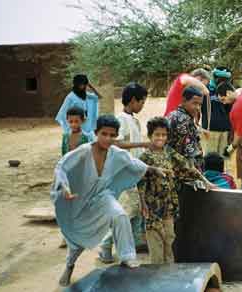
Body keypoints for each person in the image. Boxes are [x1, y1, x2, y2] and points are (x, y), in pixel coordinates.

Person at [51, 115, 166, 286]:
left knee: (120, 215)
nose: (108, 138)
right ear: (96, 133)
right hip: (80, 201)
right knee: (77, 242)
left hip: (103, 197)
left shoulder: (116, 154)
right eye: (104, 134)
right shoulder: (84, 151)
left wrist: (154, 169)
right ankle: (69, 265)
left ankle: (127, 256)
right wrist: (64, 187)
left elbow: (134, 164)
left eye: (112, 135)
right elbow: (62, 166)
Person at [137, 117, 215, 264]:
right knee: (155, 241)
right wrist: (143, 204)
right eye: (157, 135)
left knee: (169, 238)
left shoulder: (169, 152)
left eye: (164, 135)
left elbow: (187, 167)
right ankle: (157, 277)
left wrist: (205, 181)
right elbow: (141, 182)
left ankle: (169, 277)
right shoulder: (144, 157)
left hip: (169, 205)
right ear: (150, 136)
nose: (161, 138)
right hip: (152, 207)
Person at [98, 83, 150, 263]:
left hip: (133, 169)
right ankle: (105, 245)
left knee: (136, 207)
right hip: (122, 171)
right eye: (142, 101)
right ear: (134, 100)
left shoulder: (133, 119)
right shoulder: (121, 119)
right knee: (127, 210)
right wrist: (142, 145)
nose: (143, 105)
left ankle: (135, 240)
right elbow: (116, 143)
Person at [58, 106, 95, 248]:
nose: (73, 124)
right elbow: (63, 155)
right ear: (67, 121)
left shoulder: (86, 137)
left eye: (76, 121)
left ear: (83, 121)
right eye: (71, 121)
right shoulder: (65, 137)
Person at [167, 86, 206, 171]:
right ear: (184, 101)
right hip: (183, 172)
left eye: (200, 104)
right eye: (195, 103)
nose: (198, 108)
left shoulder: (176, 115)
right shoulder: (183, 120)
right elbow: (189, 152)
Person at [201, 81, 235, 156]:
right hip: (211, 129)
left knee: (221, 155)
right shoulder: (206, 89)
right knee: (211, 155)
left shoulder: (228, 90)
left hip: (224, 129)